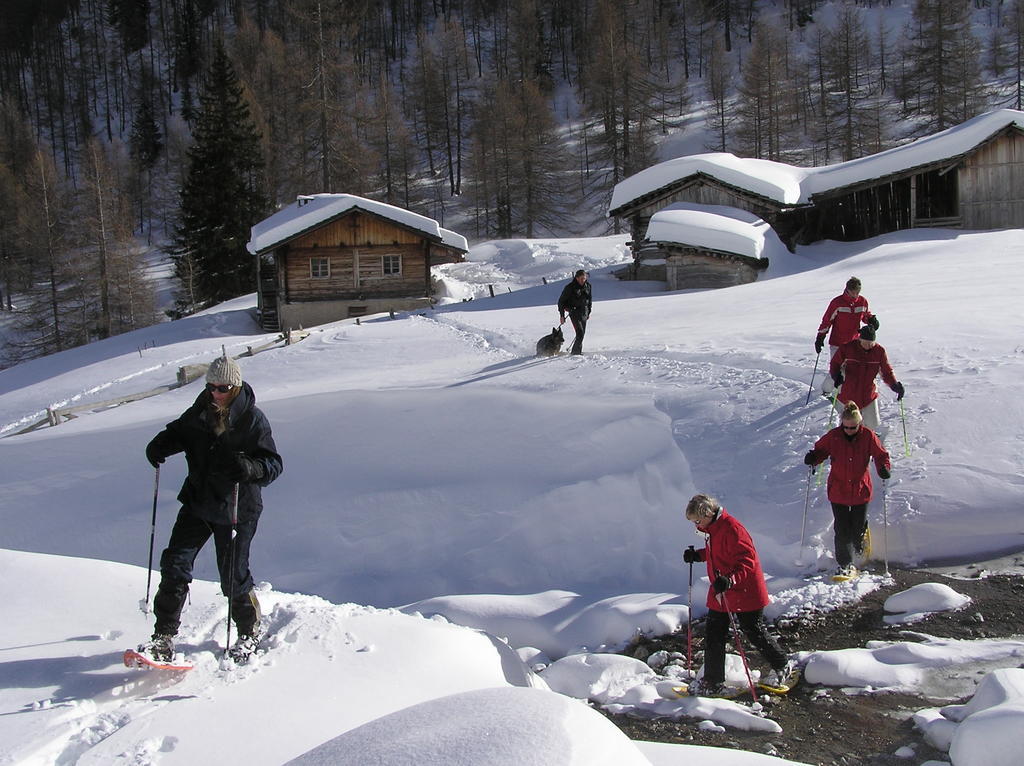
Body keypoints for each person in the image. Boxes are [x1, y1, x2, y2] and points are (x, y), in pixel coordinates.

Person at [139, 354, 283, 663]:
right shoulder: (199, 412)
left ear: (236, 386)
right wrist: (160, 445)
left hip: (236, 507)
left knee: (233, 574)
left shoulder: (252, 419)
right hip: (198, 501)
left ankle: (248, 630)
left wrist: (249, 467)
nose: (216, 393)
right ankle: (162, 636)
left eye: (223, 387)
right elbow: (179, 433)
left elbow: (273, 464)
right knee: (175, 564)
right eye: (211, 386)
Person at [682, 494, 794, 696]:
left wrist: (731, 580)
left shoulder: (732, 529)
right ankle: (713, 681)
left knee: (753, 630)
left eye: (698, 521)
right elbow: (718, 552)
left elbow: (747, 561)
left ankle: (782, 665)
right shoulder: (712, 529)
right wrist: (698, 555)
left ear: (707, 513)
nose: (697, 526)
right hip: (722, 590)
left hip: (744, 588)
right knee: (714, 633)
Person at [804, 402, 891, 577]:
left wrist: (883, 467)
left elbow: (881, 455)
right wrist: (813, 458)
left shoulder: (868, 436)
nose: (849, 431)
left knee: (856, 527)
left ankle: (860, 546)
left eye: (853, 428)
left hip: (860, 490)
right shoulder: (834, 436)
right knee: (842, 529)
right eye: (846, 427)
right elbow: (821, 450)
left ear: (859, 424)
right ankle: (844, 563)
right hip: (839, 490)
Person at [829, 324, 905, 432]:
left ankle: (867, 443)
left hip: (868, 395)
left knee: (872, 424)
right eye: (865, 343)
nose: (868, 346)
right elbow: (835, 364)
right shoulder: (847, 348)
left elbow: (886, 372)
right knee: (848, 425)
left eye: (871, 343)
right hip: (848, 394)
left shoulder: (879, 351)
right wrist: (836, 376)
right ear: (859, 339)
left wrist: (894, 385)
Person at [816, 277, 878, 394]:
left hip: (854, 342)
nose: (855, 295)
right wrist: (820, 336)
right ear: (847, 290)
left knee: (853, 369)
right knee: (836, 369)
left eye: (857, 292)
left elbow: (864, 316)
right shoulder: (837, 302)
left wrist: (871, 319)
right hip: (837, 342)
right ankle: (826, 391)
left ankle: (847, 392)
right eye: (852, 292)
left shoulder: (862, 301)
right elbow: (827, 320)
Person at [558, 269, 592, 355]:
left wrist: (588, 312)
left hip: (584, 312)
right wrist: (562, 316)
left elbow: (589, 300)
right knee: (580, 333)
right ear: (576, 278)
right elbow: (561, 302)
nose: (583, 280)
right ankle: (575, 354)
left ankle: (577, 351)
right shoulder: (569, 287)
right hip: (574, 312)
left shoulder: (588, 286)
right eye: (581, 278)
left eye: (584, 278)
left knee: (581, 334)